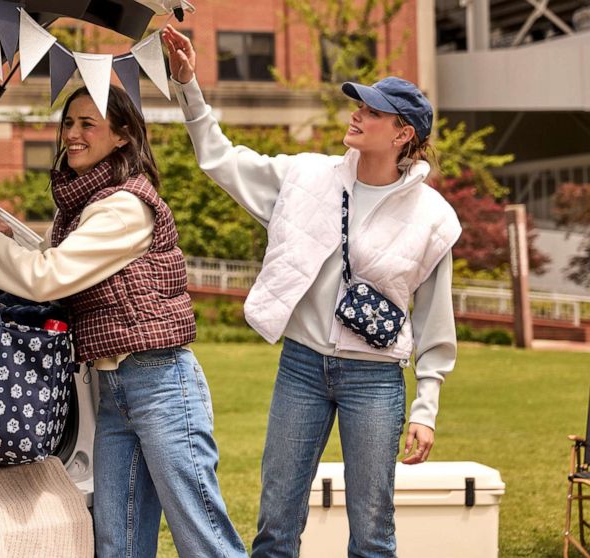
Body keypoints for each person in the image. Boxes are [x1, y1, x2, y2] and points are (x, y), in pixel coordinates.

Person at [162, 26, 461, 558]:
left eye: (372, 111)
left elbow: (437, 319)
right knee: (276, 526)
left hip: (374, 378)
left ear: (403, 134)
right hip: (301, 366)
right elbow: (221, 161)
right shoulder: (305, 177)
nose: (357, 114)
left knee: (372, 534)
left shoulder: (433, 218)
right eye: (359, 105)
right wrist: (189, 88)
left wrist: (426, 407)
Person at [0, 85, 247, 557]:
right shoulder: (82, 209)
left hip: (160, 383)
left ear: (122, 136)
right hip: (113, 390)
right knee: (117, 542)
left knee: (201, 539)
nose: (72, 134)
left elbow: (50, 278)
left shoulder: (124, 207)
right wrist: (2, 235)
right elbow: (53, 260)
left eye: (88, 124)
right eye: (68, 123)